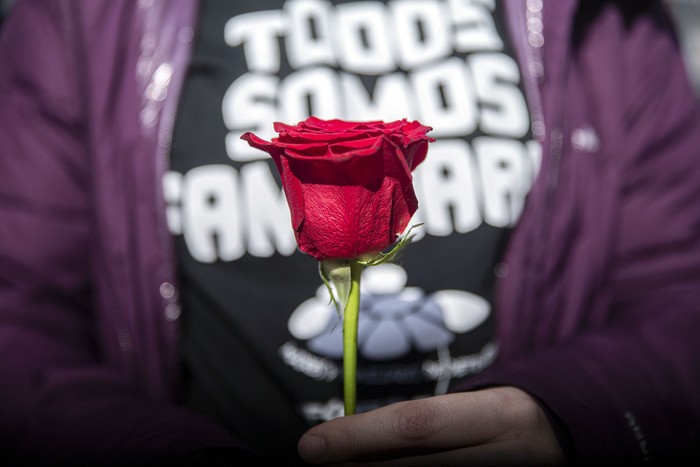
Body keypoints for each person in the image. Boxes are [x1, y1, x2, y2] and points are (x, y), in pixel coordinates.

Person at [1, 0, 699, 465]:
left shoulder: (607, 17)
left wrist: (571, 416)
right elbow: (18, 311)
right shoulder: (79, 16)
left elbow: (680, 294)